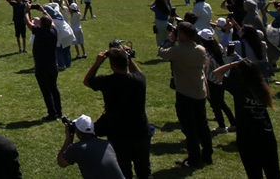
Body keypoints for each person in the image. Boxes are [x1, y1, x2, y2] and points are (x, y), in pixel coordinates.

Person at [84, 45, 151, 179]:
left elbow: (87, 81)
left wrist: (97, 62)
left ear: (112, 66)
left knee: (123, 171)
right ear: (126, 62)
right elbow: (138, 72)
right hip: (140, 131)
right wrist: (128, 58)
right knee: (144, 170)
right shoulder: (139, 80)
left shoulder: (107, 81)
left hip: (118, 134)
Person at [212, 57, 280, 179]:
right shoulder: (263, 88)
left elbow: (217, 72)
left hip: (247, 136)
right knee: (273, 172)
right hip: (266, 134)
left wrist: (234, 63)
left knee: (254, 173)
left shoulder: (239, 88)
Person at [157, 22, 213, 169]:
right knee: (203, 125)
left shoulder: (177, 50)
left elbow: (161, 52)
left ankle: (193, 159)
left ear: (182, 35)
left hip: (185, 93)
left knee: (189, 128)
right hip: (199, 92)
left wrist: (171, 40)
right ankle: (207, 155)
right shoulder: (200, 49)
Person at [56, 114, 126, 179]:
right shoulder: (107, 144)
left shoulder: (77, 148)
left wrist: (68, 139)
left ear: (77, 131)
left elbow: (61, 162)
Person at [28, 9, 63, 120]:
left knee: (46, 91)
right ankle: (59, 111)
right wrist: (43, 10)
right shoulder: (53, 31)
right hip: (53, 65)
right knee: (54, 89)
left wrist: (26, 11)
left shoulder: (39, 32)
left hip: (42, 66)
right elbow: (52, 21)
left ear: (41, 24)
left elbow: (28, 23)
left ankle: (52, 113)